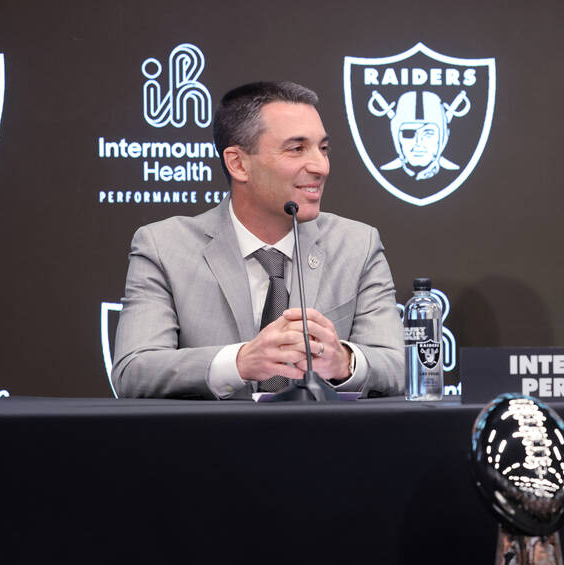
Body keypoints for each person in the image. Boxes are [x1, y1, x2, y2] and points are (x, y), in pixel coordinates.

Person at [112, 81, 403, 399]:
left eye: (323, 148)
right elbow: (133, 370)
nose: (321, 166)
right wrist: (239, 363)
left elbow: (398, 366)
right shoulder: (164, 247)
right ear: (238, 163)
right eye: (296, 149)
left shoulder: (357, 245)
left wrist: (344, 361)